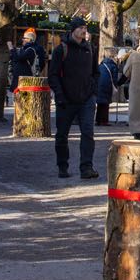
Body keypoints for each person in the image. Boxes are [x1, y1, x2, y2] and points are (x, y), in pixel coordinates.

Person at [48, 17, 99, 179]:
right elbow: (53, 75)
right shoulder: (60, 49)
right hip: (66, 100)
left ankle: (86, 167)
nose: (84, 31)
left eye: (85, 28)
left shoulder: (90, 48)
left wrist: (93, 91)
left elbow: (95, 72)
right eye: (81, 28)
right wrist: (60, 95)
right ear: (73, 30)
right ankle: (62, 166)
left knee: (88, 133)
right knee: (62, 135)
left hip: (86, 100)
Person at [8, 28, 46, 94]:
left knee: (23, 99)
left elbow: (19, 58)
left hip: (25, 81)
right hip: (22, 80)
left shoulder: (30, 50)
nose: (22, 39)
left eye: (24, 38)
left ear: (29, 39)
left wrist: (11, 49)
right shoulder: (26, 49)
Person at [95, 47, 123, 126]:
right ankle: (104, 120)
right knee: (105, 104)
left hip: (100, 85)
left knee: (100, 103)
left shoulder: (101, 64)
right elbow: (114, 78)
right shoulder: (113, 66)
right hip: (107, 86)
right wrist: (116, 86)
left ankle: (98, 120)